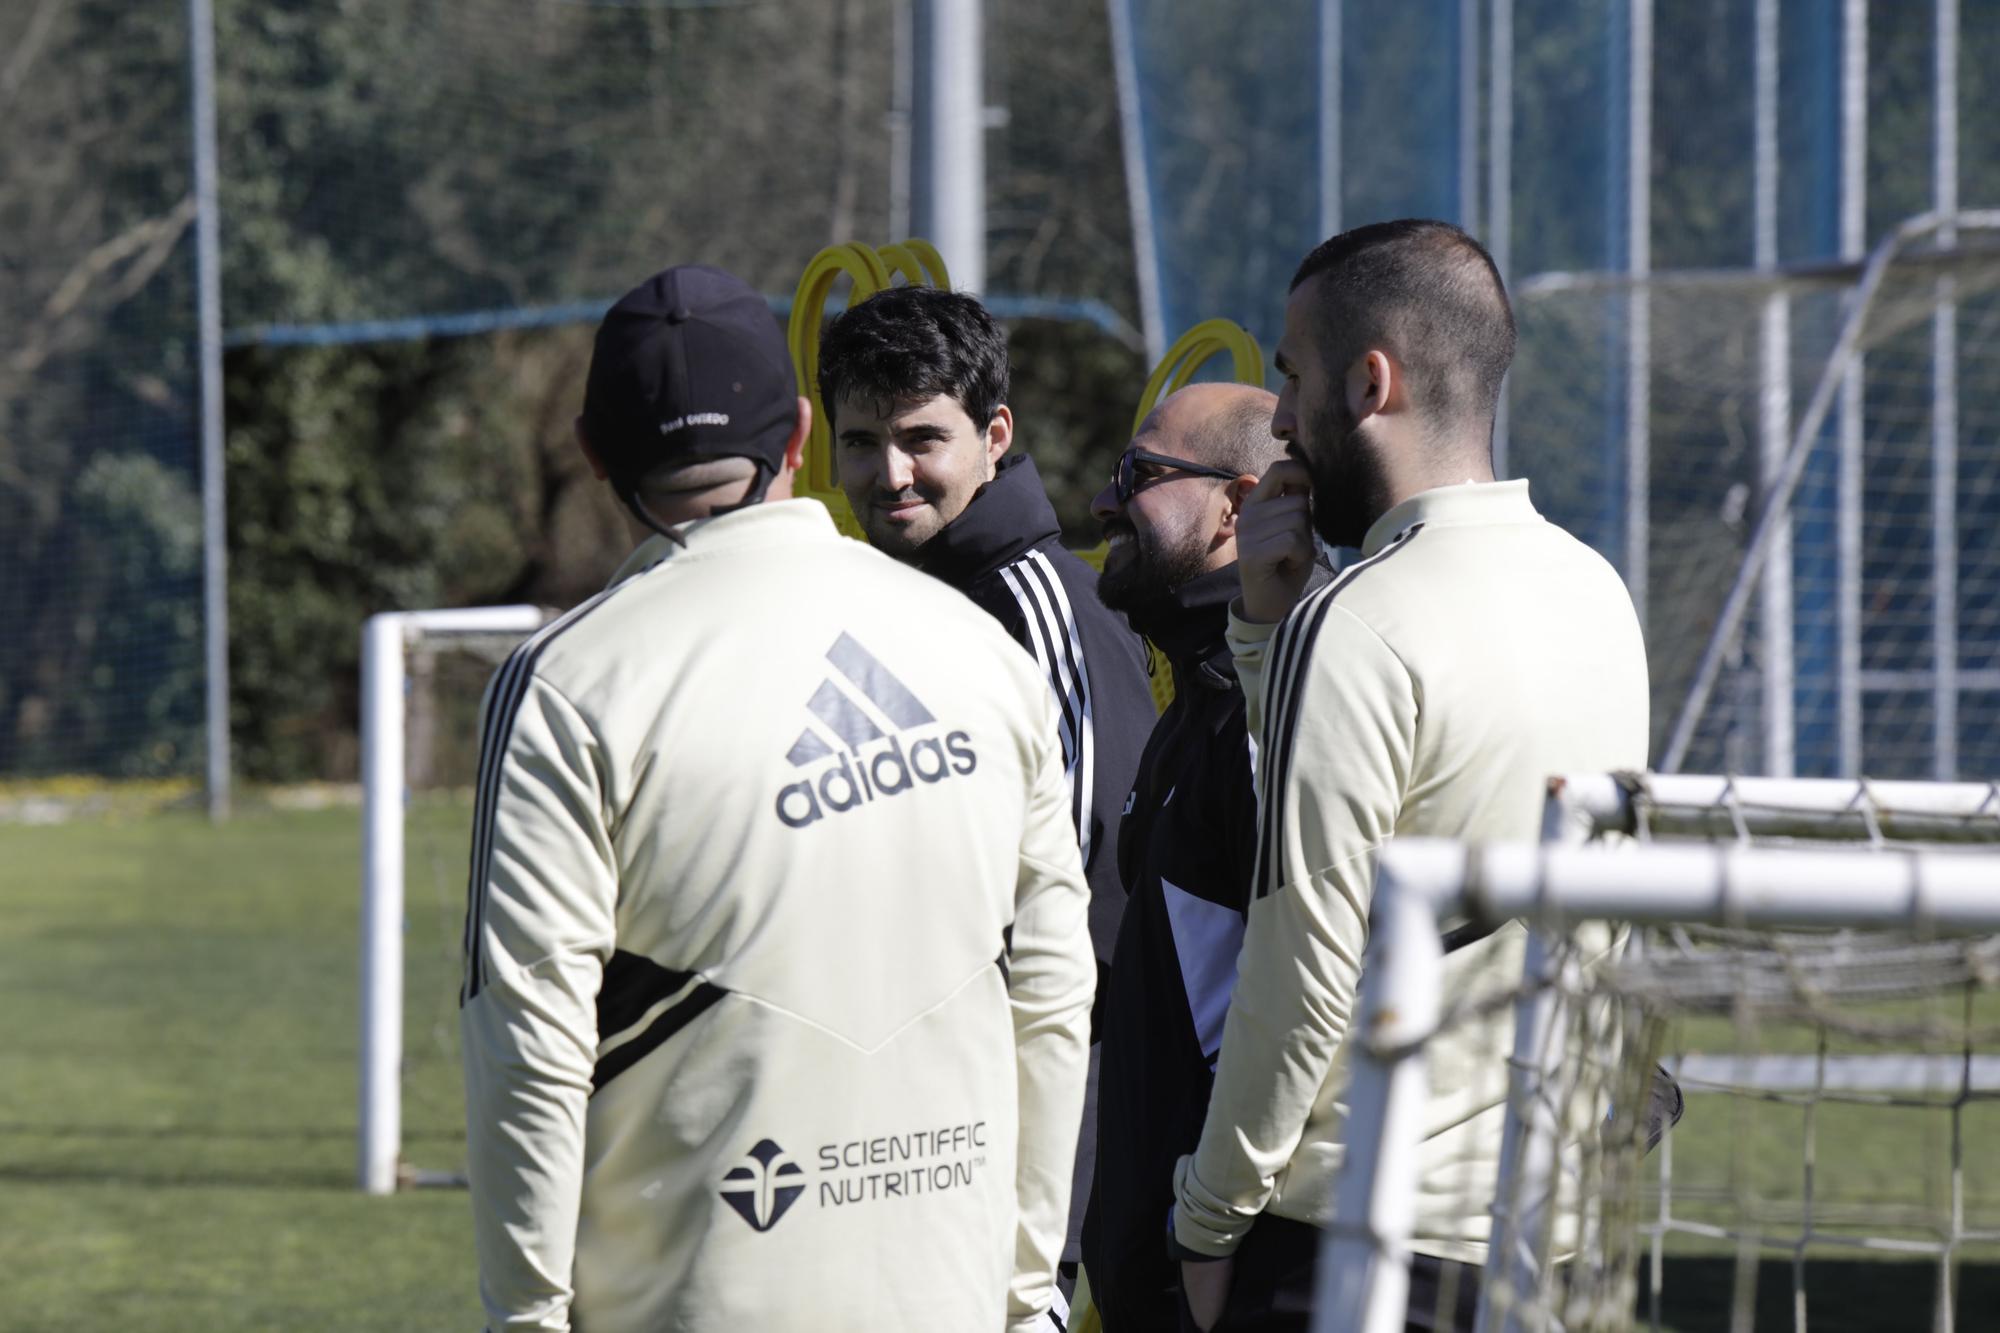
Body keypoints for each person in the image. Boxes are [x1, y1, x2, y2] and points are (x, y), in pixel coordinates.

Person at [459, 264, 1095, 1333]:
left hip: (693, 1296)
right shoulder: (974, 645)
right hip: (955, 1292)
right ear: (801, 432)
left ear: (592, 455)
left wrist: (525, 1317)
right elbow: (1052, 988)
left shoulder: (568, 681)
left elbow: (529, 1036)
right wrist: (1026, 1292)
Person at [1169, 220, 1652, 1332]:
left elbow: (1296, 979)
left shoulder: (1357, 622)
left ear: (1368, 380)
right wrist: (1264, 633)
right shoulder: (1593, 589)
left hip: (1359, 1244)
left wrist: (1204, 1219)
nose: (1278, 421)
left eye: (1288, 379)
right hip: (1548, 1227)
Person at [817, 283, 1157, 1275]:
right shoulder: (894, 599)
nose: (888, 474)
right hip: (919, 1092)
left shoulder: (1031, 605)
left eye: (922, 438)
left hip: (1036, 1095)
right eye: (857, 442)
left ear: (993, 433)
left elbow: (1086, 894)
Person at [1077, 382, 1327, 1331]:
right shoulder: (1201, 687)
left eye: (1139, 474)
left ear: (1239, 503)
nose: (1104, 501)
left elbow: (1299, 1016)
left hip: (1227, 1287)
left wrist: (1205, 1241)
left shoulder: (1269, 707)